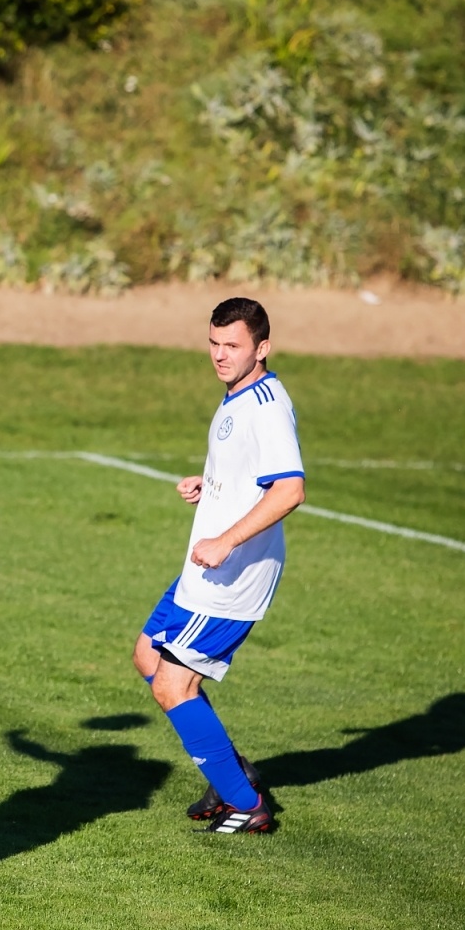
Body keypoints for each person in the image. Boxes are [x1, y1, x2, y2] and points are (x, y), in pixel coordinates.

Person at [133, 297, 306, 834]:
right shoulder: (237, 396)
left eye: (233, 345)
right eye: (214, 343)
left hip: (233, 576)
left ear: (263, 347)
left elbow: (290, 490)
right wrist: (209, 487)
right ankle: (232, 771)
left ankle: (246, 805)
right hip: (205, 568)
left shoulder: (266, 406)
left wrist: (227, 539)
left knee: (171, 687)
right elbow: (250, 474)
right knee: (147, 657)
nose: (220, 355)